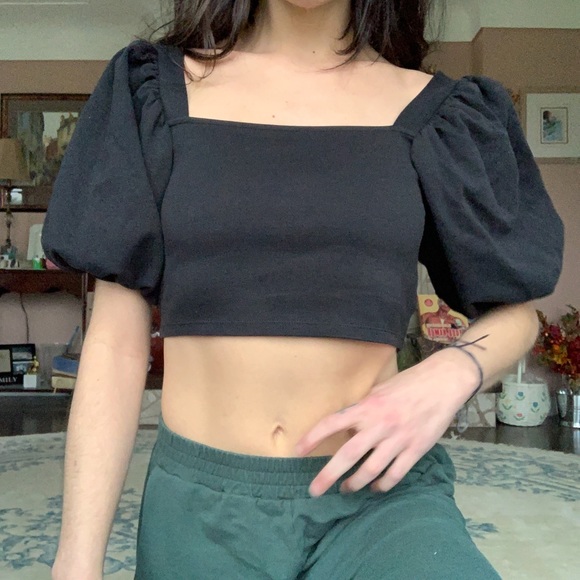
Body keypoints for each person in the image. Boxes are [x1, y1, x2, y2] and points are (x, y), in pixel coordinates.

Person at [42, 1, 564, 578]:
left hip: (377, 498)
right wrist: (76, 561)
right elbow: (116, 344)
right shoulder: (152, 92)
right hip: (202, 512)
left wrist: (452, 372)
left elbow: (517, 312)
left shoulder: (438, 110)